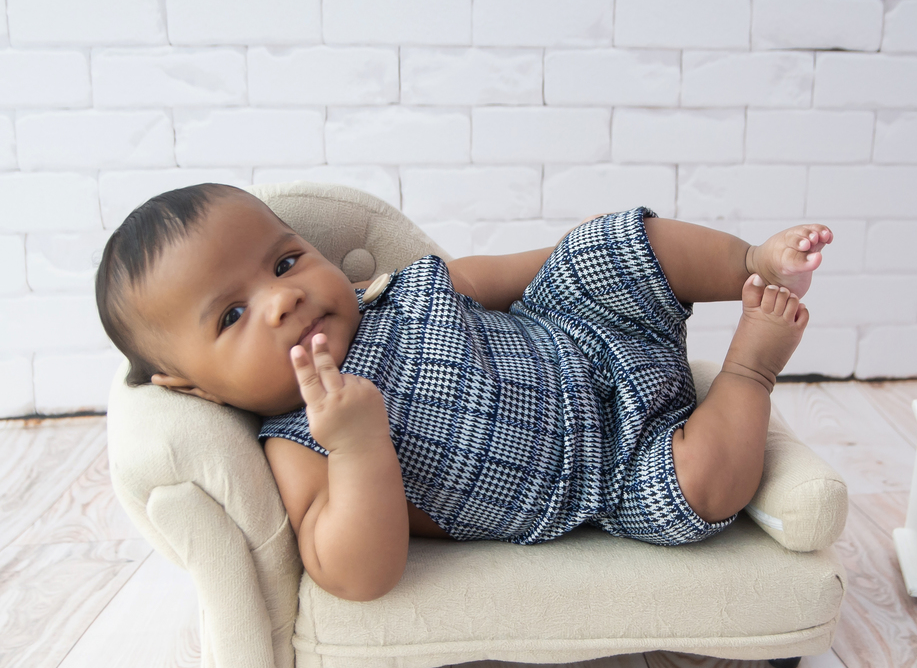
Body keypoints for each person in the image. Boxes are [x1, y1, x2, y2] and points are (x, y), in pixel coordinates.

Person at [95, 184, 831, 601]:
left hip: (582, 331)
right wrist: (357, 446)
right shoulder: (302, 442)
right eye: (232, 315)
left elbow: (508, 273)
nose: (282, 298)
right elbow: (358, 573)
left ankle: (752, 261)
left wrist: (584, 257)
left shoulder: (388, 292)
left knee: (605, 244)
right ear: (191, 386)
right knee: (705, 488)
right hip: (617, 472)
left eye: (286, 262)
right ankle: (750, 369)